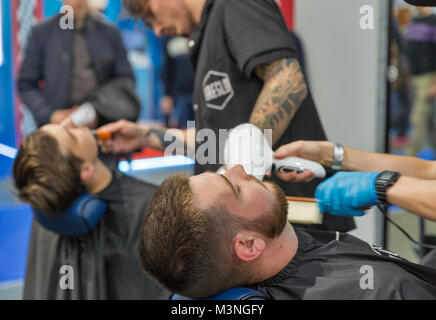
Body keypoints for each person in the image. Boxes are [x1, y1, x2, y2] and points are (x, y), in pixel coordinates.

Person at [113, 0, 355, 233]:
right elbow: (215, 140)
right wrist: (144, 136)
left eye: (151, 14)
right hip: (250, 228)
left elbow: (288, 80)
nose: (157, 29)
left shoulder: (235, 5)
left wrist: (238, 169)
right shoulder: (205, 37)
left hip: (294, 222)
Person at [137, 165, 436, 299]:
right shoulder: (386, 289)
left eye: (222, 171)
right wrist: (387, 186)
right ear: (250, 245)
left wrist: (334, 156)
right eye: (236, 188)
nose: (240, 168)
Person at [13, 124, 169, 300]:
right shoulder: (153, 206)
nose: (71, 123)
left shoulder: (45, 212)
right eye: (72, 136)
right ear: (86, 170)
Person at [17, 0, 140, 130]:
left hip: (102, 129)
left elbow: (125, 80)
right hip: (58, 130)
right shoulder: (42, 33)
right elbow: (26, 84)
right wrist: (49, 115)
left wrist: (97, 111)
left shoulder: (110, 33)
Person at [403, 6, 436, 156]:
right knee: (428, 121)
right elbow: (410, 50)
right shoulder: (414, 20)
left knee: (417, 119)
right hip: (415, 77)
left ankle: (409, 157)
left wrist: (434, 83)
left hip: (428, 78)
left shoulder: (433, 21)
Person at [159, 36, 195, 129]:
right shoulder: (170, 39)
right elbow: (167, 68)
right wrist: (167, 95)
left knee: (203, 131)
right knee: (185, 130)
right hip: (180, 96)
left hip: (199, 94)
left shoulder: (201, 35)